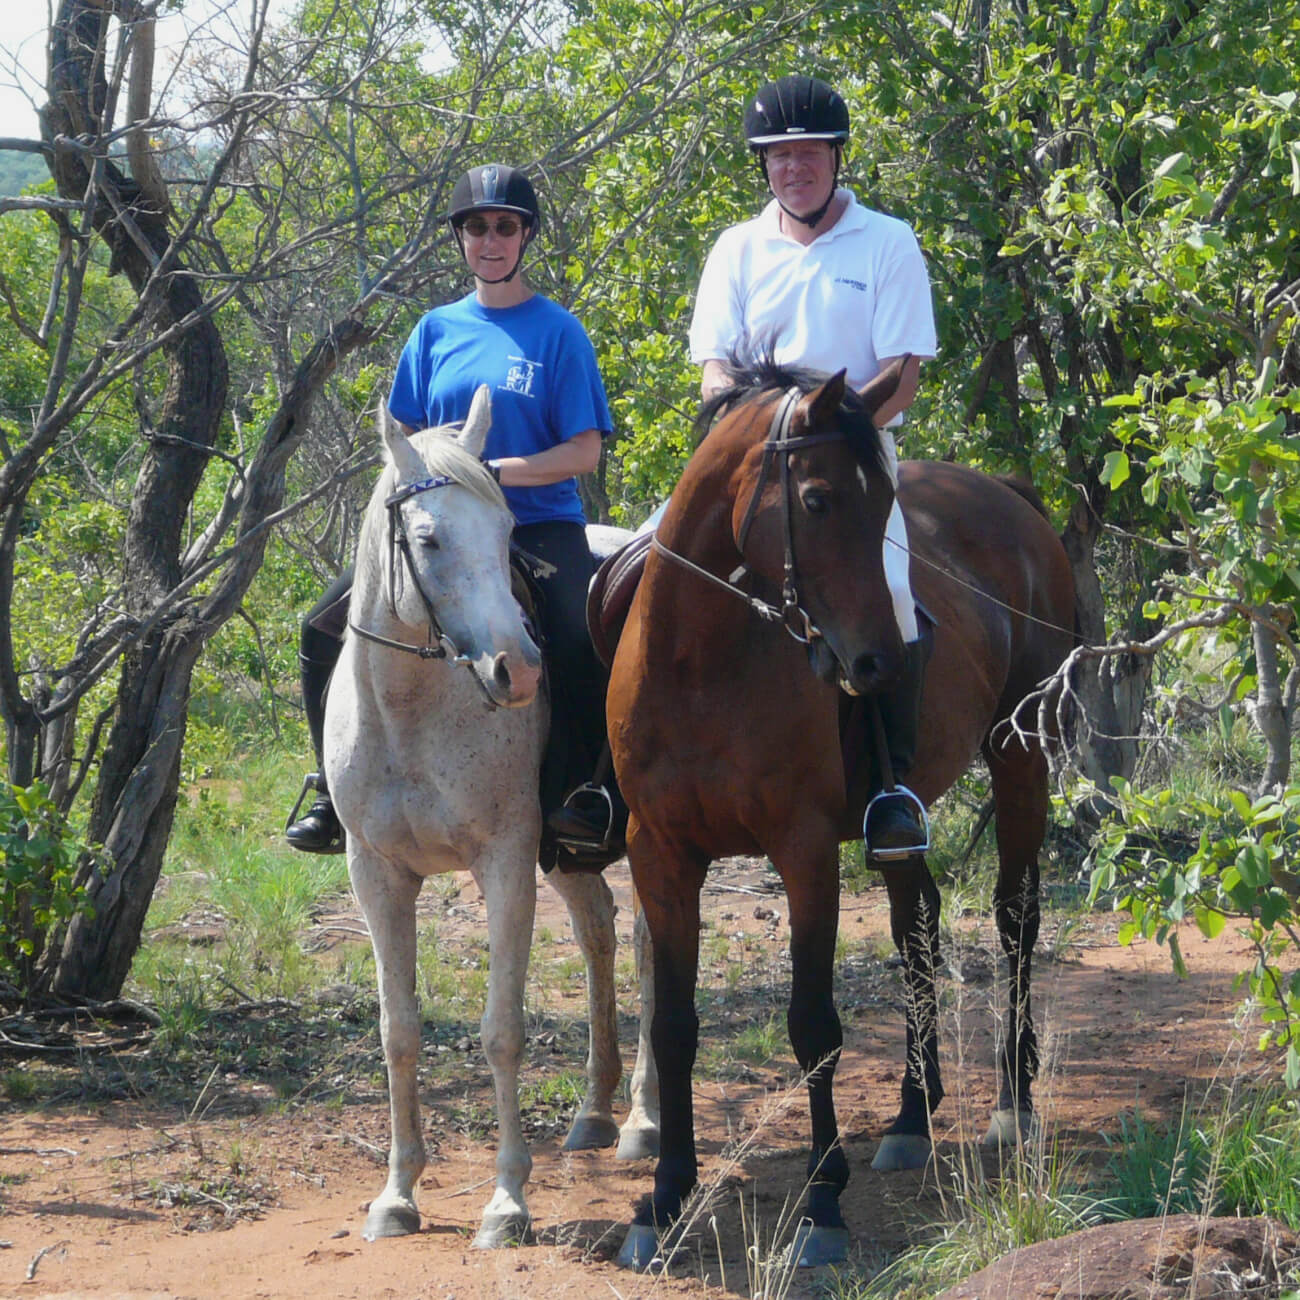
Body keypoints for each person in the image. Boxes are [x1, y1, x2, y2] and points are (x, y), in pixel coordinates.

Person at [286, 163, 618, 859]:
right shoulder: (434, 331)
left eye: (504, 226)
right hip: (444, 535)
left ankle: (585, 793)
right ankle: (329, 788)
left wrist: (487, 473)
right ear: (460, 240)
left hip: (536, 522)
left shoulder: (558, 333)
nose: (489, 240)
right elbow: (403, 439)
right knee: (321, 627)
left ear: (526, 235)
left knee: (576, 631)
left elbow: (585, 450)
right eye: (476, 227)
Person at [687, 74, 938, 861]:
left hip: (853, 462)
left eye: (806, 154)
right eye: (777, 156)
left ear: (836, 156)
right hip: (751, 463)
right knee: (649, 576)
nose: (792, 168)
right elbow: (714, 371)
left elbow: (901, 373)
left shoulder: (886, 241)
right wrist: (757, 435)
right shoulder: (737, 247)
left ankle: (892, 787)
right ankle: (617, 771)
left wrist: (832, 433)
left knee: (891, 592)